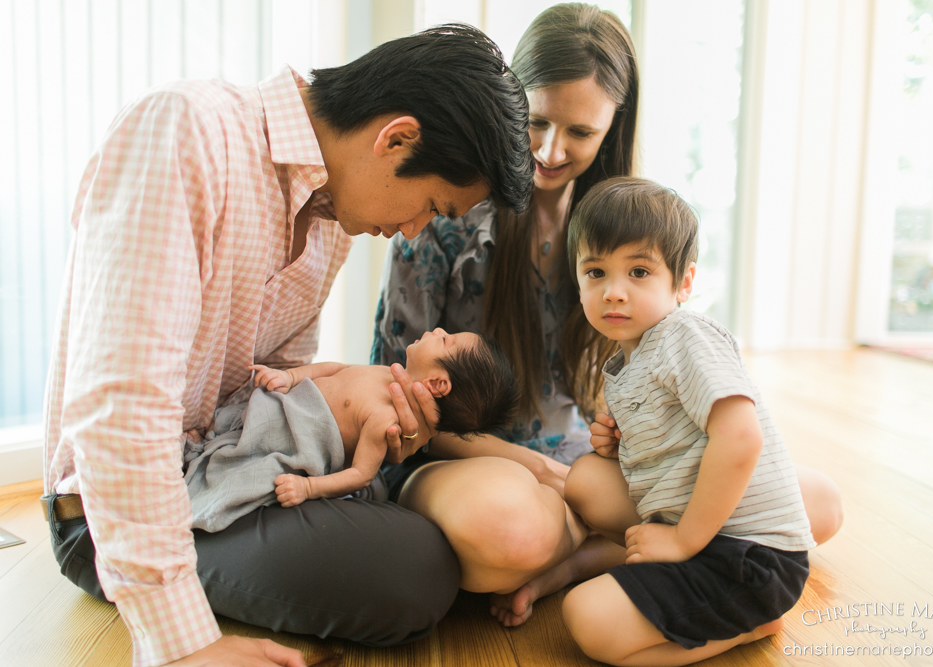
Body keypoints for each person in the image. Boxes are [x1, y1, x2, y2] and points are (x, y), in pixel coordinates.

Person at [41, 24, 532, 667]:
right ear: (397, 138)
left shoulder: (329, 228)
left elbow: (274, 389)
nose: (413, 233)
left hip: (231, 472)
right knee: (416, 572)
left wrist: (360, 424)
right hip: (111, 515)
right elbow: (118, 406)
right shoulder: (188, 130)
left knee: (439, 542)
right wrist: (183, 644)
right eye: (432, 207)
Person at [372, 1, 842, 627]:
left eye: (580, 133)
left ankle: (578, 553)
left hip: (579, 471)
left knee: (816, 502)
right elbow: (400, 406)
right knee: (510, 528)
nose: (549, 149)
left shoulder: (620, 237)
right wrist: (535, 468)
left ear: (613, 127)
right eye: (536, 121)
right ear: (511, 100)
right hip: (461, 460)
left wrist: (620, 446)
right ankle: (595, 547)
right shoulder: (442, 214)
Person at [561, 177, 814, 665]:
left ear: (684, 283)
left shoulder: (685, 336)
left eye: (638, 271)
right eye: (596, 272)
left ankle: (750, 623)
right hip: (708, 536)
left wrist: (682, 540)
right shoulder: (624, 362)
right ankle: (703, 596)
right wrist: (622, 446)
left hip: (752, 557)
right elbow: (673, 447)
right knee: (588, 477)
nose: (614, 292)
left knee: (588, 618)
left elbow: (740, 437)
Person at [185, 329, 518, 532]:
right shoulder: (390, 374)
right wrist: (291, 377)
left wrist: (308, 487)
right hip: (285, 407)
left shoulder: (386, 419)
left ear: (437, 383)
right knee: (232, 431)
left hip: (295, 437)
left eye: (445, 340)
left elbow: (360, 473)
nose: (438, 330)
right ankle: (211, 445)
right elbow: (339, 369)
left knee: (239, 475)